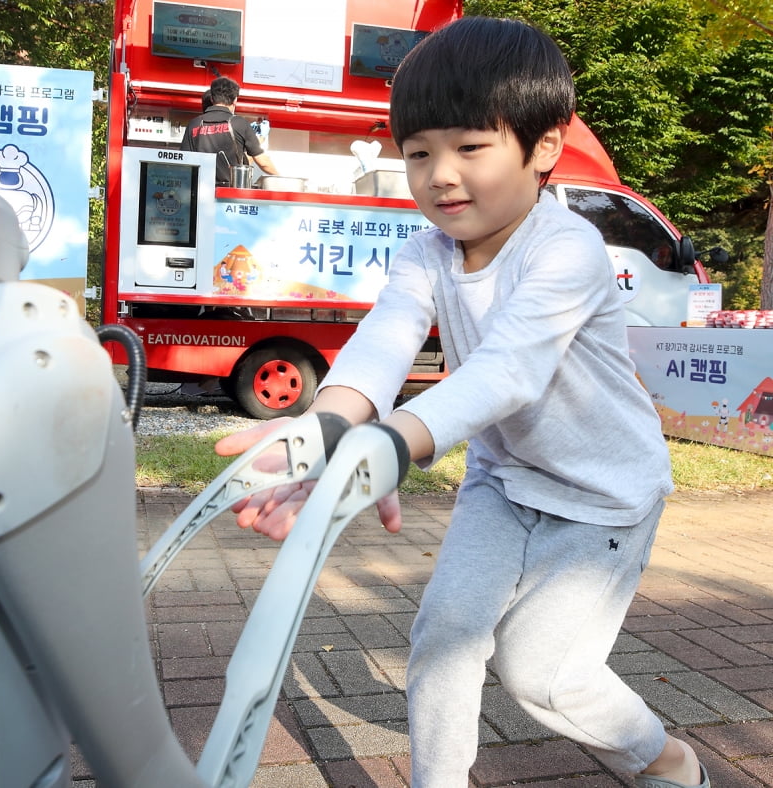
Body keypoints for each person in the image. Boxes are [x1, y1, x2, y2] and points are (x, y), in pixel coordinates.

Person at [214, 16, 709, 788]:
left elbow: (505, 373)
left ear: (543, 147)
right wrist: (327, 426)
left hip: (604, 496)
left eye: (470, 148)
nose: (440, 175)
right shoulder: (426, 251)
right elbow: (385, 341)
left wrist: (390, 443)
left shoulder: (566, 248)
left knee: (542, 675)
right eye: (418, 154)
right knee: (443, 639)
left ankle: (668, 761)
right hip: (503, 483)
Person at [180, 76, 279, 186]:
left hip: (200, 191)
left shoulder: (194, 124)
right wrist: (281, 178)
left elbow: (184, 162)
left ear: (212, 99)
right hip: (230, 193)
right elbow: (263, 162)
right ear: (235, 100)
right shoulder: (239, 123)